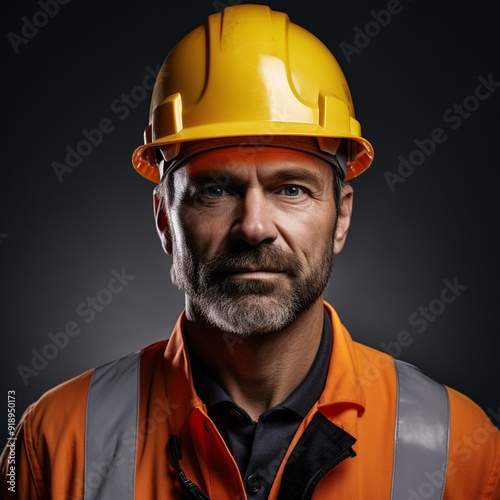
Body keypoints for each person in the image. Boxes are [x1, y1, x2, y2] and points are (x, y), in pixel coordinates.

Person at [1, 4, 499, 499]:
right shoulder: (55, 441)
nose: (254, 227)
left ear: (341, 216)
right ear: (163, 220)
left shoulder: (461, 448)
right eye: (215, 190)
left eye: (292, 189)